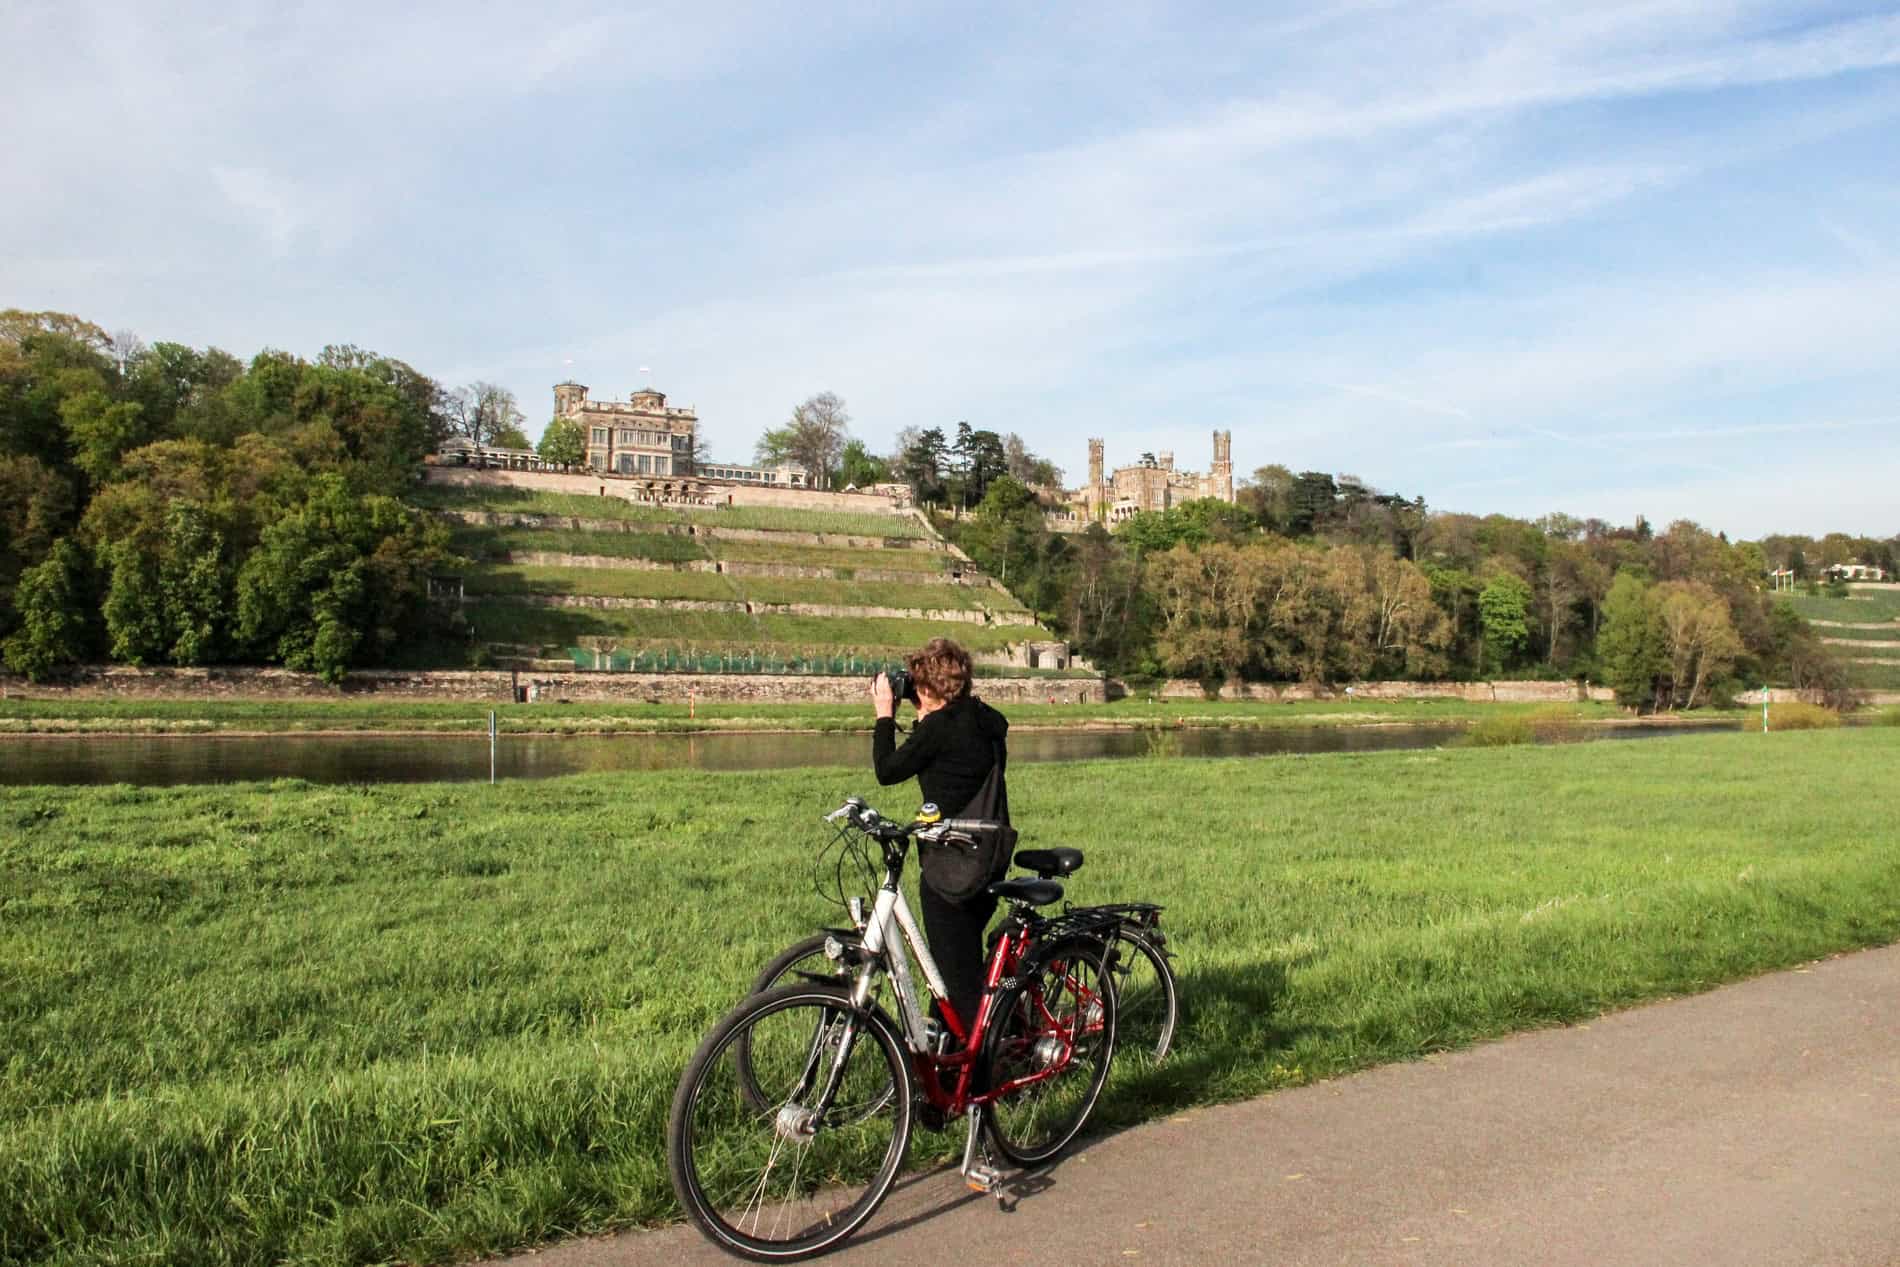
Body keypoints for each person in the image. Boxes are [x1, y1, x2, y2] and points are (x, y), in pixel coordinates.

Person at [871, 636, 1010, 1032]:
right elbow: (951, 765)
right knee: (955, 964)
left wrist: (884, 714)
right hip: (989, 853)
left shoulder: (941, 727)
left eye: (916, 683)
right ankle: (952, 1060)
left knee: (954, 979)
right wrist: (923, 716)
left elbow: (887, 770)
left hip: (953, 864)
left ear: (929, 688)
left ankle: (976, 1081)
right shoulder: (984, 719)